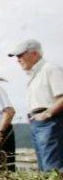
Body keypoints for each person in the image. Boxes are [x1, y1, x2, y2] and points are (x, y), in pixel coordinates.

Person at [8, 39, 63, 172]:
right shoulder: (34, 76)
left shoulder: (50, 69)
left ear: (34, 54)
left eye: (20, 55)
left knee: (52, 168)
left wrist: (47, 114)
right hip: (38, 124)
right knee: (44, 168)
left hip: (51, 122)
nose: (18, 59)